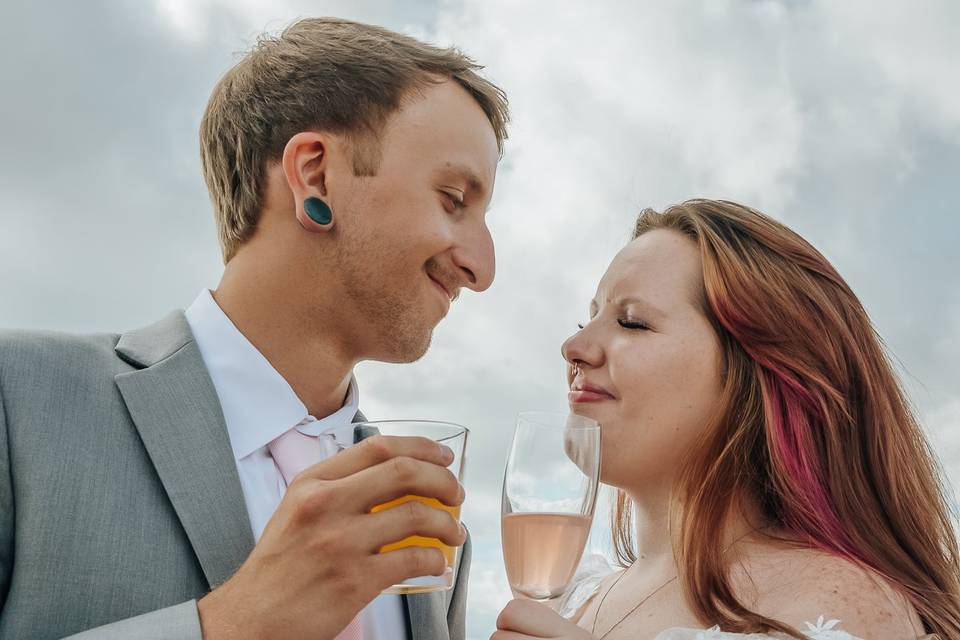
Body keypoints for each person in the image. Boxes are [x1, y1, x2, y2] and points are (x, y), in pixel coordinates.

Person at [0, 17, 508, 640]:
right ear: (315, 174)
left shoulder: (424, 519)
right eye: (453, 198)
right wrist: (232, 625)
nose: (481, 268)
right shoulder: (16, 398)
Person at [493, 200, 959, 640]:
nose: (572, 348)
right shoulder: (574, 596)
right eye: (586, 320)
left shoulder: (839, 603)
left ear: (760, 376)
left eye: (632, 323)